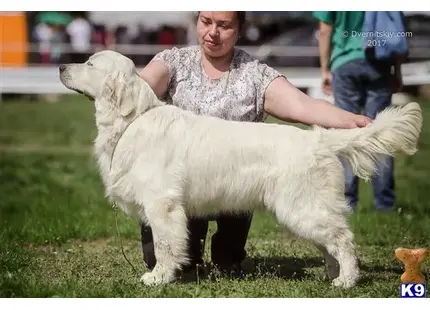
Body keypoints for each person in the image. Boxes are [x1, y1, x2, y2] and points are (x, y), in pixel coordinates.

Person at [138, 11, 372, 277]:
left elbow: (302, 105)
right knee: (166, 262)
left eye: (224, 26)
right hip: (183, 183)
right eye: (206, 22)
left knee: (227, 267)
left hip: (237, 181)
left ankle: (231, 255)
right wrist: (107, 85)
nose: (212, 32)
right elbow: (134, 90)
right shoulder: (173, 62)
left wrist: (351, 120)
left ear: (239, 31)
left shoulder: (254, 75)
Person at [313, 11, 405, 211]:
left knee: (346, 135)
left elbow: (325, 29)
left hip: (344, 63)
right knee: (381, 134)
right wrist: (396, 71)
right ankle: (385, 204)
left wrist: (324, 69)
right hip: (379, 61)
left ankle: (348, 203)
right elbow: (396, 28)